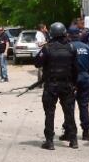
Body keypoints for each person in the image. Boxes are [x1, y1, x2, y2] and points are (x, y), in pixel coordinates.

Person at [34, 22, 79, 150]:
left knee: (49, 113)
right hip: (67, 85)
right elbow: (76, 69)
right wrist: (74, 84)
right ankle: (73, 140)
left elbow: (37, 63)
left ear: (52, 34)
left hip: (51, 85)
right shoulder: (71, 48)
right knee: (69, 113)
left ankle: (49, 141)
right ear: (64, 33)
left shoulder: (47, 48)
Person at [63, 26, 89, 142]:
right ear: (79, 34)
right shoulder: (87, 48)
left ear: (68, 35)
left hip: (71, 80)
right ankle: (86, 132)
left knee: (69, 107)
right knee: (84, 106)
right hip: (85, 78)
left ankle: (69, 132)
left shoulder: (67, 48)